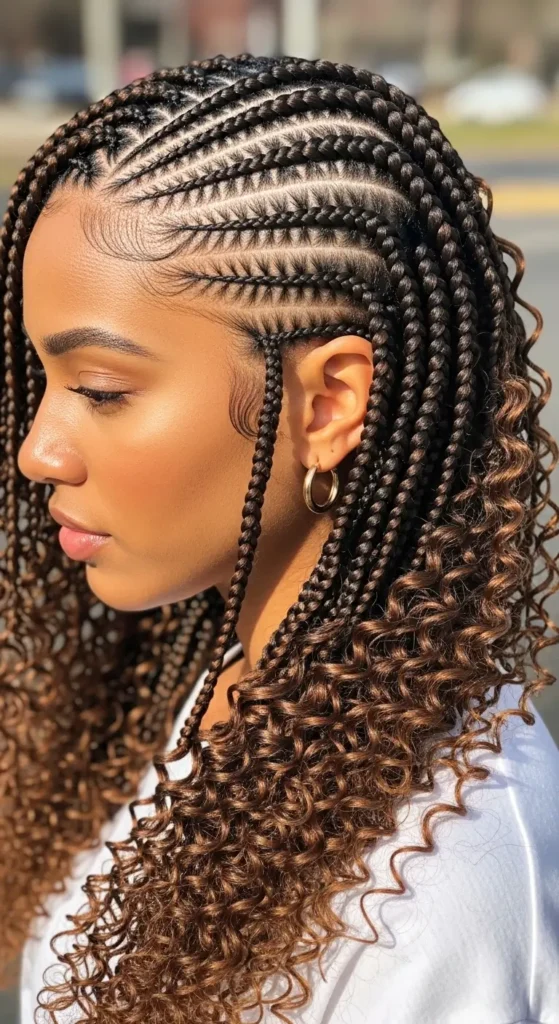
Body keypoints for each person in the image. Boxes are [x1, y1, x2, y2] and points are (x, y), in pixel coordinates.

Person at [0, 53, 558, 1024]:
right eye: (40, 382)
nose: (37, 451)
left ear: (329, 400)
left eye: (99, 390)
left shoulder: (438, 891)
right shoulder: (193, 671)